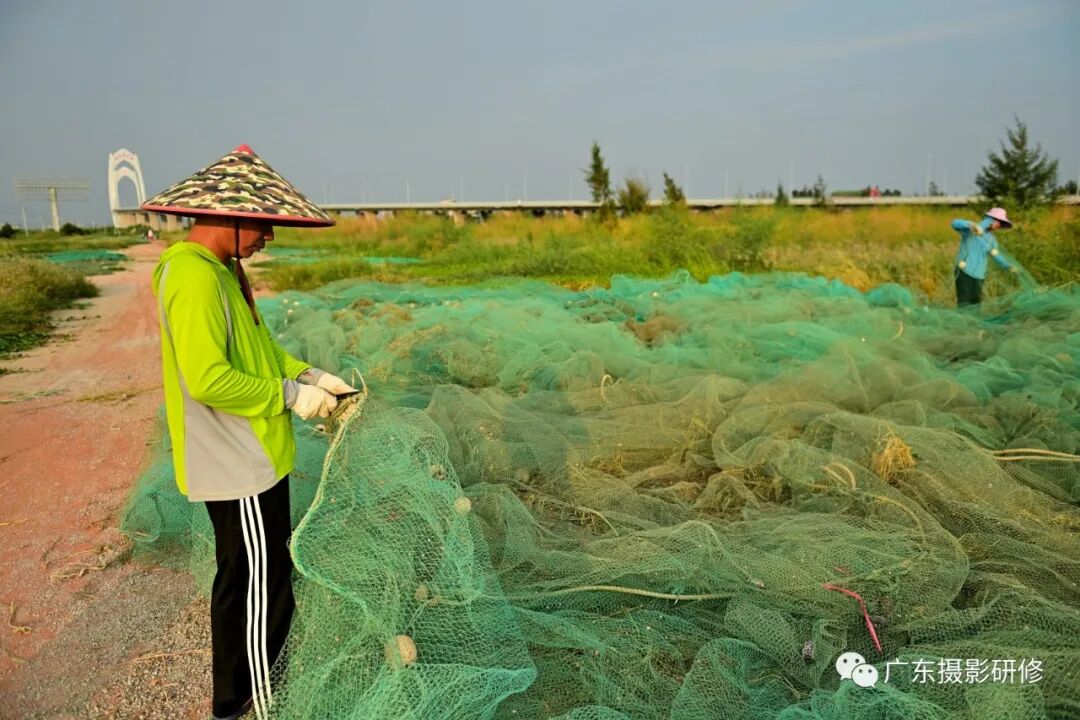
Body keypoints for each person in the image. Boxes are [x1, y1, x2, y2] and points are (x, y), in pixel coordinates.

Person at [143, 144, 355, 720]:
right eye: (264, 223)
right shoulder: (190, 276)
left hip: (257, 455)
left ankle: (243, 696)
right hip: (236, 465)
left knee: (257, 577)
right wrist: (292, 397)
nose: (269, 237)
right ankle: (256, 705)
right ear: (229, 214)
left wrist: (310, 375)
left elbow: (259, 351)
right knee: (260, 588)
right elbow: (209, 378)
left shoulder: (224, 271)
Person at [950, 207, 1017, 306]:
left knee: (976, 303)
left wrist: (1008, 266)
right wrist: (972, 226)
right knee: (964, 301)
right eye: (999, 222)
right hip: (964, 271)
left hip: (979, 275)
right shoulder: (971, 229)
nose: (999, 226)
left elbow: (996, 255)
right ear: (992, 219)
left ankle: (973, 321)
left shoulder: (992, 239)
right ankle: (963, 321)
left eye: (1001, 224)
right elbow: (955, 223)